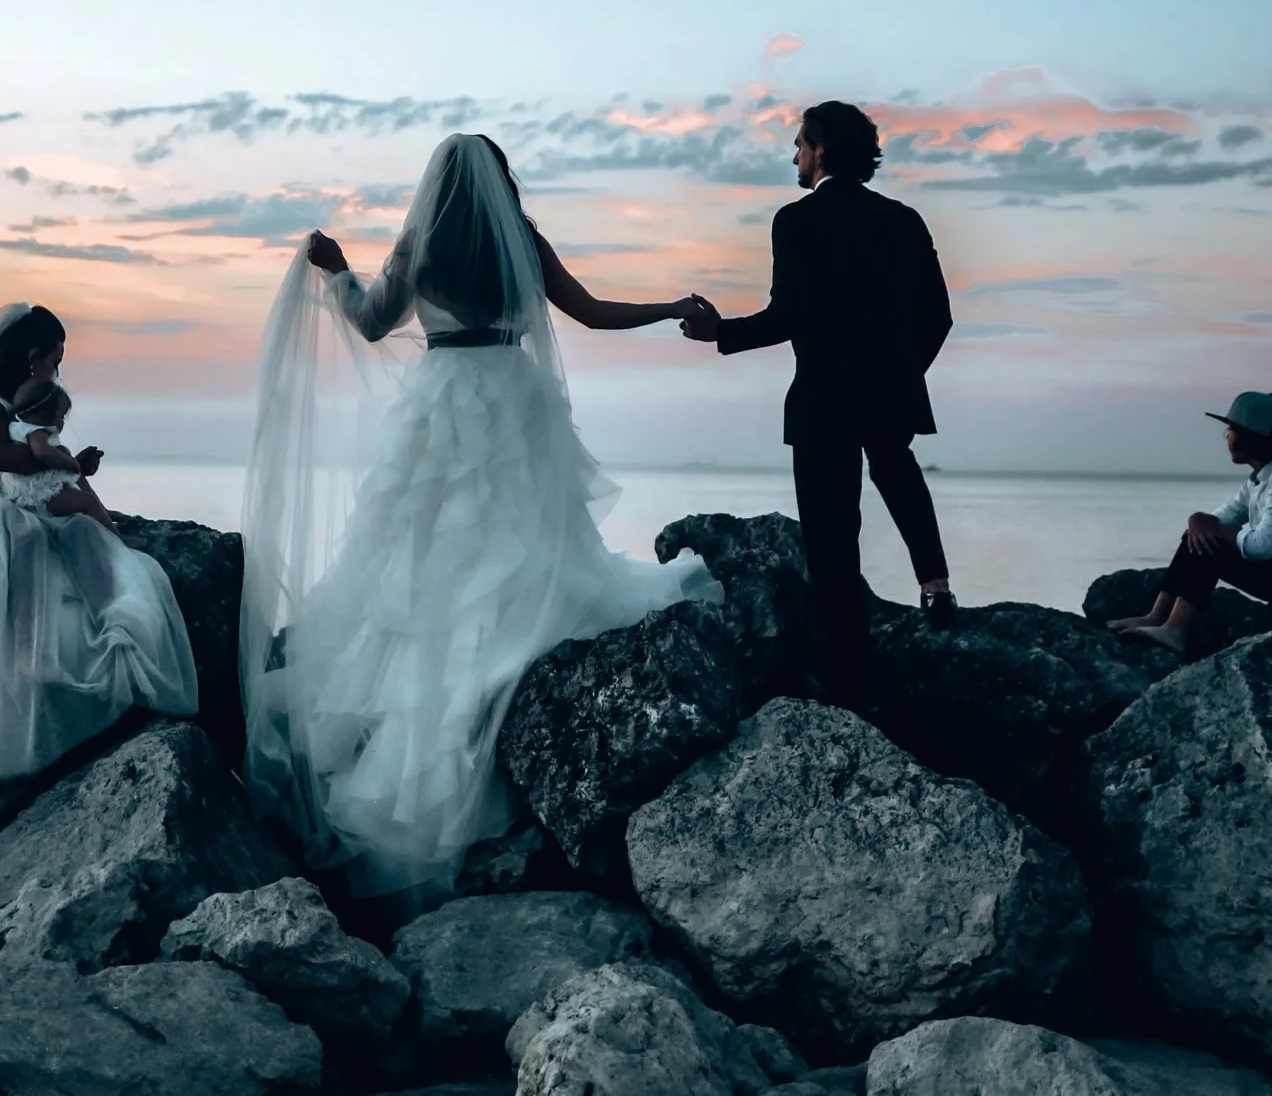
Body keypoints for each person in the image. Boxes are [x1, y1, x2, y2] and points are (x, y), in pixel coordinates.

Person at [244, 132, 721, 901]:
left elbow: (370, 322)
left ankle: (428, 720)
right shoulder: (520, 243)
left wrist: (336, 274)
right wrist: (670, 305)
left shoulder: (421, 244)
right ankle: (510, 682)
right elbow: (592, 313)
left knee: (424, 562)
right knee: (520, 546)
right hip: (513, 403)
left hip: (442, 402)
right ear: (501, 185)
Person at [682, 100, 957, 695]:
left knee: (833, 540)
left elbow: (789, 315)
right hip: (888, 392)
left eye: (800, 143)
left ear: (822, 149)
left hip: (823, 399)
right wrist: (902, 374)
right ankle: (935, 586)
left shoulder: (796, 220)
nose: (794, 154)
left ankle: (849, 674)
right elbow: (939, 315)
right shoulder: (905, 219)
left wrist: (720, 332)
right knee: (897, 469)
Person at [0, 304, 198, 779]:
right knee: (24, 541)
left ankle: (110, 623)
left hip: (30, 489)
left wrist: (85, 492)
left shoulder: (36, 406)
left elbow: (61, 472)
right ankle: (28, 655)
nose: (59, 371)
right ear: (34, 357)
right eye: (56, 361)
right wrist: (52, 458)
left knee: (84, 533)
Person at [1109, 392, 1272, 653]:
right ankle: (1157, 616)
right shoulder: (1259, 479)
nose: (1227, 437)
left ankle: (1176, 630)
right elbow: (1219, 519)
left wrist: (1215, 530)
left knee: (1212, 544)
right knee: (1196, 537)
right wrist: (1197, 520)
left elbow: (1261, 546)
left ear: (1251, 436)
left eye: (1231, 431)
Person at [1, 378, 126, 534]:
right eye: (61, 416)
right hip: (39, 496)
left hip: (37, 489)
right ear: (44, 415)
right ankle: (118, 538)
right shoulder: (35, 432)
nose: (62, 422)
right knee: (88, 501)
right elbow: (42, 452)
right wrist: (70, 462)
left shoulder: (20, 427)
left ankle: (102, 511)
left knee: (79, 480)